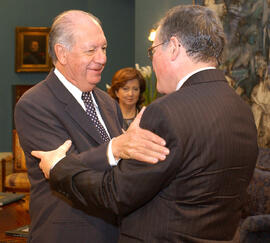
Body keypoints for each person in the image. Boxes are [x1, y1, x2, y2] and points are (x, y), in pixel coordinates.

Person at [34, 5, 258, 242]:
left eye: (153, 51)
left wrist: (59, 168)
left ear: (173, 48)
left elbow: (115, 194)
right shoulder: (241, 109)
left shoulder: (166, 113)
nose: (151, 61)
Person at [14, 10, 169, 243]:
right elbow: (65, 171)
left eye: (104, 48)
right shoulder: (34, 104)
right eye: (91, 50)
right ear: (62, 53)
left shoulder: (107, 103)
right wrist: (116, 148)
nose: (102, 58)